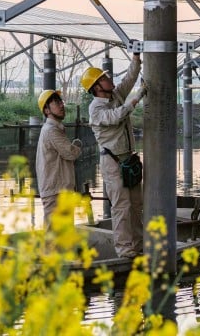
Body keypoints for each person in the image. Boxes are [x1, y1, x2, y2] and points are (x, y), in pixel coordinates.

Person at [82, 53, 146, 258]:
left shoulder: (115, 96)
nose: (109, 80)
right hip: (112, 161)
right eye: (104, 78)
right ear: (96, 87)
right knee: (121, 207)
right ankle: (125, 249)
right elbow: (115, 116)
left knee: (136, 205)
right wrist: (136, 99)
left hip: (127, 158)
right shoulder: (96, 108)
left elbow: (129, 79)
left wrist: (136, 58)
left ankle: (138, 245)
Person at [34, 89, 82, 226]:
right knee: (54, 238)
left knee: (63, 237)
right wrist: (77, 145)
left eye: (61, 101)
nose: (61, 105)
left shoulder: (54, 129)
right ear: (47, 110)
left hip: (59, 190)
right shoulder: (51, 130)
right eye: (56, 102)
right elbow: (70, 153)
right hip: (55, 192)